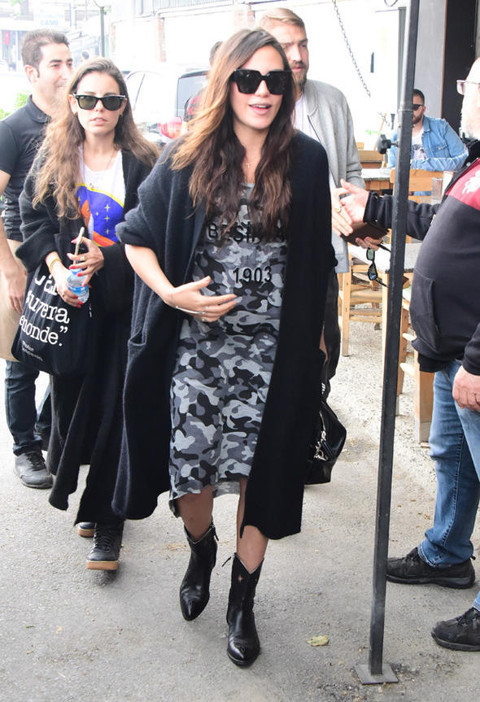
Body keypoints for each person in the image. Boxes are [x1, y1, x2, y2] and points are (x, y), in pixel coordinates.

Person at [112, 29, 334, 665]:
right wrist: (171, 294)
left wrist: (318, 346)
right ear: (226, 83)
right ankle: (202, 546)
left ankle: (242, 599)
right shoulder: (187, 156)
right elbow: (135, 236)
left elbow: (317, 258)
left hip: (276, 353)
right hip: (198, 348)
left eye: (275, 81)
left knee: (262, 473)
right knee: (191, 468)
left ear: (287, 90)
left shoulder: (307, 159)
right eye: (248, 79)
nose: (262, 92)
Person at [339, 59, 480, 652]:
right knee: (453, 457)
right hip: (450, 349)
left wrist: (477, 362)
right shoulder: (474, 160)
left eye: (473, 87)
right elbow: (442, 222)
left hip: (472, 357)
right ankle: (447, 554)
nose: (465, 96)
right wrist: (376, 209)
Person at [17, 58, 158, 570]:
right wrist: (56, 268)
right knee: (75, 409)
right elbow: (30, 218)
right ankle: (92, 499)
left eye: (110, 100)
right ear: (74, 103)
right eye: (88, 99)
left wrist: (109, 258)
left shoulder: (143, 162)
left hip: (123, 309)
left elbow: (156, 232)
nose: (99, 109)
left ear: (123, 107)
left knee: (117, 412)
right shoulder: (55, 155)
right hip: (72, 310)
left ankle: (108, 520)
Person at [258, 7, 368, 394]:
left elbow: (350, 170)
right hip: (263, 259)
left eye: (303, 45)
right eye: (287, 46)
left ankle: (313, 419)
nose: (298, 56)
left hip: (320, 256)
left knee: (322, 357)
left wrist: (352, 212)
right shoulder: (253, 103)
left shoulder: (333, 101)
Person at [0, 29, 73, 489]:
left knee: (66, 349)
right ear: (31, 72)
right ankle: (25, 448)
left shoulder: (78, 118)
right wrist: (10, 268)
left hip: (64, 255)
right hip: (22, 254)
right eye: (55, 64)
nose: (67, 72)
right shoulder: (13, 129)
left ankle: (49, 430)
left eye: (70, 62)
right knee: (22, 356)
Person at [387, 88, 467, 171]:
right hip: (409, 180)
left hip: (441, 179)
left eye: (414, 107)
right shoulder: (396, 136)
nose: (410, 111)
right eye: (406, 107)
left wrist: (418, 164)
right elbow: (392, 171)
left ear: (423, 109)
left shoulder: (441, 127)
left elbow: (463, 159)